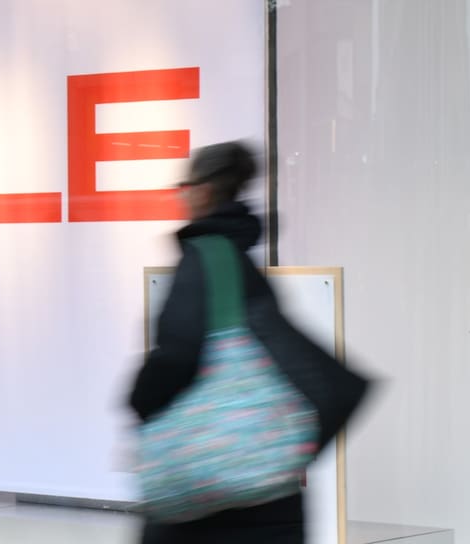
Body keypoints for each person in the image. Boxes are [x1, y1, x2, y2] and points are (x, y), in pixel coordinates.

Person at [128, 141, 306, 544]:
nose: (181, 197)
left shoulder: (205, 257)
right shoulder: (245, 263)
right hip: (266, 476)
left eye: (183, 187)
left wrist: (138, 401)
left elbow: (176, 355)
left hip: (211, 480)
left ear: (203, 191)